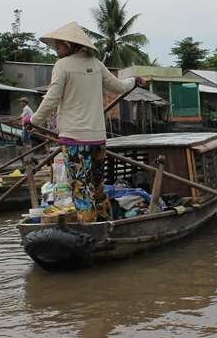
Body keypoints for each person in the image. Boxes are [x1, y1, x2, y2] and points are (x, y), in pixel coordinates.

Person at [25, 22, 145, 222]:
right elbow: (119, 86)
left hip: (74, 139)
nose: (56, 49)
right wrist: (134, 81)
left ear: (68, 44)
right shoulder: (96, 64)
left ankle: (90, 230)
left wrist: (33, 120)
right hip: (98, 138)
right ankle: (106, 223)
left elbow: (52, 98)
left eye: (58, 45)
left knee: (80, 189)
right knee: (97, 187)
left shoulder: (62, 65)